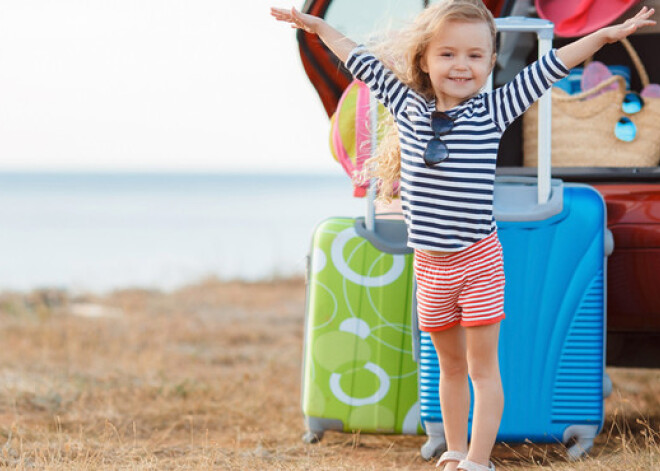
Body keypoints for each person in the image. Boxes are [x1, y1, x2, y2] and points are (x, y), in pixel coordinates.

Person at [271, 2, 655, 470]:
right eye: (448, 54)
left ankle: (478, 459)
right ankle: (454, 450)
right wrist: (314, 24)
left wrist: (608, 36)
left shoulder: (494, 110)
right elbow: (358, 57)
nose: (461, 65)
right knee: (449, 370)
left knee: (481, 369)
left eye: (475, 56)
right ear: (425, 62)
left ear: (491, 63)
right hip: (430, 268)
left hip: (478, 263)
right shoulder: (406, 104)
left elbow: (556, 63)